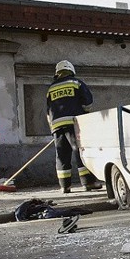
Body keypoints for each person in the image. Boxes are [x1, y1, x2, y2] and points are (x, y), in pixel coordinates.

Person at [46, 60, 101, 193]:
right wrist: (85, 116)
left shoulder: (51, 88)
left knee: (61, 155)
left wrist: (53, 128)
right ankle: (88, 183)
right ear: (71, 70)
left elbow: (48, 112)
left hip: (57, 126)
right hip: (74, 123)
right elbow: (88, 102)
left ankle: (65, 186)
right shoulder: (76, 83)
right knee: (80, 151)